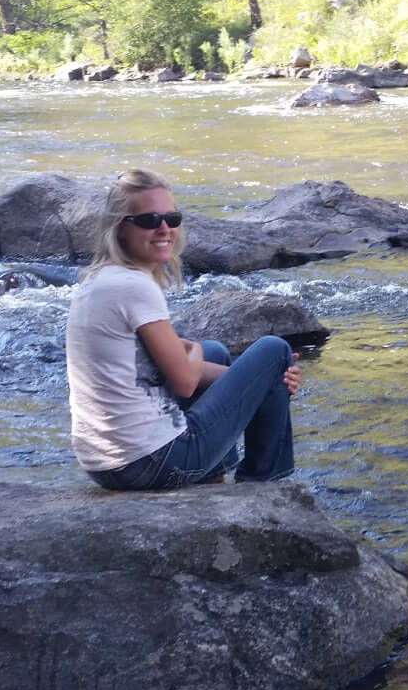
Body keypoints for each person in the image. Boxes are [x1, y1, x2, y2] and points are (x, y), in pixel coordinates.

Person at [66, 168, 301, 490]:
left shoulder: (99, 278)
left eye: (172, 218)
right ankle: (265, 486)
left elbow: (166, 370)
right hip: (152, 461)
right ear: (120, 228)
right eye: (149, 220)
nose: (164, 229)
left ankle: (210, 473)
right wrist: (200, 351)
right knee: (274, 350)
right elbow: (186, 381)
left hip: (107, 464)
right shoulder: (135, 286)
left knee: (219, 352)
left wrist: (263, 381)